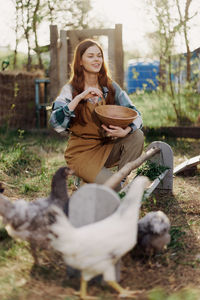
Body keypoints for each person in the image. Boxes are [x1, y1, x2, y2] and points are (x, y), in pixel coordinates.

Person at [49, 39, 144, 190]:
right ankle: (90, 180)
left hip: (106, 146)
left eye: (99, 55)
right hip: (81, 153)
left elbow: (136, 114)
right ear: (80, 61)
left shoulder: (110, 86)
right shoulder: (71, 89)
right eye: (91, 56)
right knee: (114, 189)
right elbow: (55, 123)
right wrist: (79, 98)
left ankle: (121, 178)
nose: (96, 59)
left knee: (137, 135)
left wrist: (126, 130)